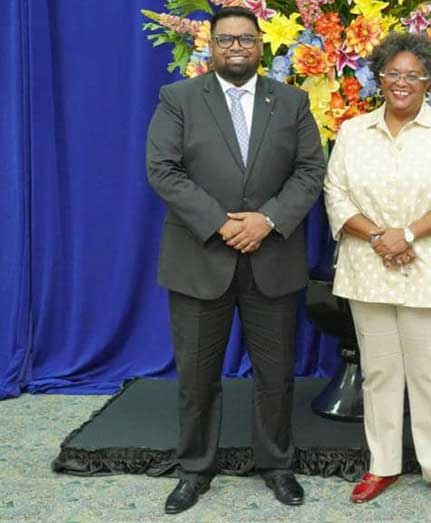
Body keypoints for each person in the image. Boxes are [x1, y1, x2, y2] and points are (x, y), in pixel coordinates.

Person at [146, 6, 325, 515]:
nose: (237, 48)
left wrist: (265, 221)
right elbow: (163, 169)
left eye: (246, 39)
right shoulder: (178, 99)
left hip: (272, 256)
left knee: (276, 374)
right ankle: (194, 470)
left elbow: (311, 170)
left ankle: (277, 466)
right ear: (211, 45)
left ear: (261, 44)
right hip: (200, 257)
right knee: (197, 376)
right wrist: (223, 223)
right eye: (226, 40)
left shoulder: (290, 101)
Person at [323, 32, 431, 506]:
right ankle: (383, 464)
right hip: (368, 268)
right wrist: (378, 236)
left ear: (430, 80)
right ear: (378, 77)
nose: (402, 82)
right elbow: (336, 194)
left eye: (413, 74)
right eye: (392, 72)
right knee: (379, 374)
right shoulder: (353, 131)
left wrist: (408, 234)